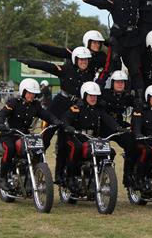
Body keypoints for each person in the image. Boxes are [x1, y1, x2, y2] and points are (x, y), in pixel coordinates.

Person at [17, 46, 95, 183]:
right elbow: (48, 66)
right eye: (81, 59)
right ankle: (31, 169)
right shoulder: (66, 69)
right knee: (44, 139)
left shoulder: (91, 74)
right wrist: (29, 62)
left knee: (65, 144)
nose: (84, 62)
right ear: (75, 59)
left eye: (86, 60)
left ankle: (59, 175)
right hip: (58, 106)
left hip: (75, 109)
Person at [69, 0, 144, 98]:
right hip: (118, 39)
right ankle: (96, 91)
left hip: (133, 40)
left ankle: (140, 98)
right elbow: (102, 2)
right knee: (108, 67)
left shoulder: (137, 0)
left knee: (136, 70)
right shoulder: (115, 0)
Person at [0, 78, 63, 191]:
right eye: (29, 93)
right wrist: (0, 124)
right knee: (10, 149)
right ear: (23, 91)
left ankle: (31, 177)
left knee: (37, 151)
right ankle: (2, 178)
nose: (31, 95)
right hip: (10, 134)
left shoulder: (35, 106)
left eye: (33, 93)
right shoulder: (13, 103)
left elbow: (46, 114)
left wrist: (56, 121)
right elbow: (2, 114)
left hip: (25, 135)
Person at [60, 81, 128, 188]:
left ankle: (100, 173)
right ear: (84, 95)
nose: (93, 98)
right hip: (76, 136)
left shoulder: (99, 110)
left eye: (95, 96)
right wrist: (69, 127)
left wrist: (118, 128)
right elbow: (65, 119)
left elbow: (108, 119)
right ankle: (70, 176)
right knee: (76, 148)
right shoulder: (76, 108)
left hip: (92, 138)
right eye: (90, 95)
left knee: (110, 151)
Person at [29, 30, 107, 75]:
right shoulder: (78, 52)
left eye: (99, 43)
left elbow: (110, 66)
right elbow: (58, 51)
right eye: (94, 42)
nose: (97, 45)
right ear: (88, 42)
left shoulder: (102, 56)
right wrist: (40, 46)